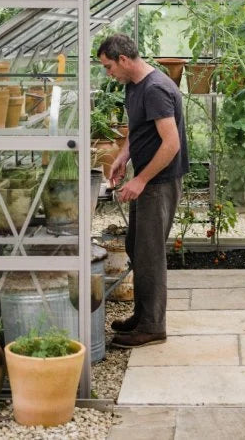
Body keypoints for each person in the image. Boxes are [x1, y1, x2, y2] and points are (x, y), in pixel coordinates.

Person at [97, 33, 188, 348]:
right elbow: (140, 131)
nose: (109, 73)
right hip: (148, 178)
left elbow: (171, 144)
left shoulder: (156, 89)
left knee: (149, 254)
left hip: (160, 181)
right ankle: (143, 314)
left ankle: (152, 326)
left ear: (123, 59)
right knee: (137, 246)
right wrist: (123, 157)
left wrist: (141, 180)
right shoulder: (134, 87)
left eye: (109, 66)